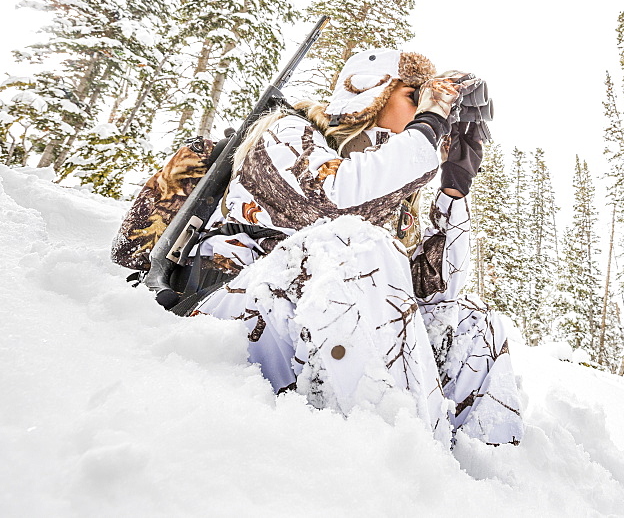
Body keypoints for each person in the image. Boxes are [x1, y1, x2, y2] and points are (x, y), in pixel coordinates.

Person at [192, 48, 524, 447]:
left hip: (320, 342)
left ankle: (477, 474)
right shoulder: (288, 134)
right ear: (373, 92)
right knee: (354, 242)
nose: (427, 112)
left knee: (473, 320)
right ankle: (400, 459)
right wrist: (431, 119)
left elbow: (437, 299)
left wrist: (453, 188)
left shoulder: (388, 194)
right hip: (235, 319)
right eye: (415, 97)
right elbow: (332, 204)